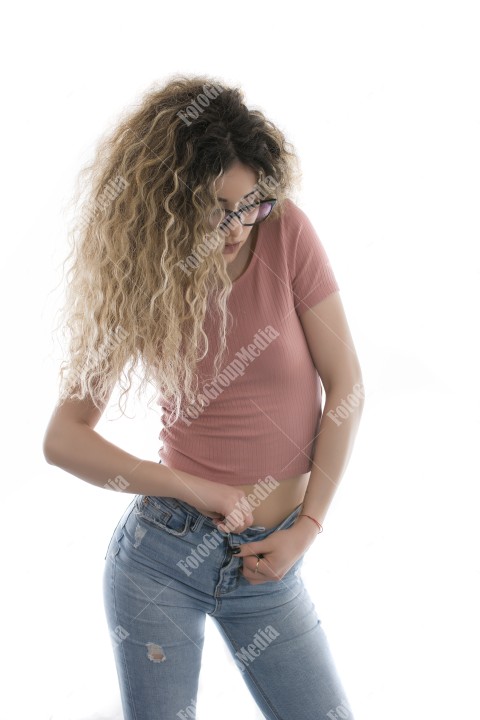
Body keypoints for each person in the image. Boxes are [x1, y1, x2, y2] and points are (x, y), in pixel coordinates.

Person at [43, 74, 364, 720]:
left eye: (252, 204)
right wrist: (199, 490)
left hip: (269, 563)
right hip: (162, 557)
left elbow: (347, 386)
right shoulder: (144, 276)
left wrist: (307, 529)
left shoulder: (286, 235)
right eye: (220, 209)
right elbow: (63, 437)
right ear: (174, 200)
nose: (240, 225)